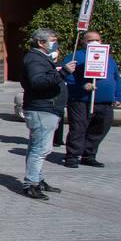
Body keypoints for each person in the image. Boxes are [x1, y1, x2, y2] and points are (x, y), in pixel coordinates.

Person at [20, 28, 72, 199]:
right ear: (41, 42)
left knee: (37, 147)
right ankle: (31, 184)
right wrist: (63, 73)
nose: (55, 42)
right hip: (42, 108)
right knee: (40, 149)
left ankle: (38, 179)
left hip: (47, 108)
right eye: (52, 39)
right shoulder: (35, 59)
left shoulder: (41, 58)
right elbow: (38, 82)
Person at [65, 30, 121, 168]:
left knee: (100, 128)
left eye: (97, 39)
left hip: (104, 101)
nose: (94, 42)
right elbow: (68, 76)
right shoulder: (75, 56)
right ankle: (72, 156)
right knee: (78, 128)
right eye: (90, 40)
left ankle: (89, 154)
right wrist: (82, 85)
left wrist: (119, 95)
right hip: (81, 100)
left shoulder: (109, 59)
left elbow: (116, 78)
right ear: (84, 42)